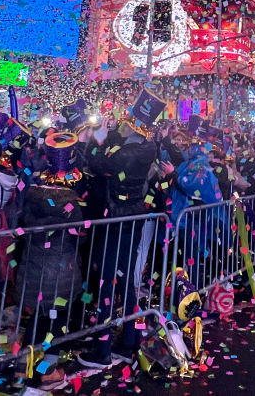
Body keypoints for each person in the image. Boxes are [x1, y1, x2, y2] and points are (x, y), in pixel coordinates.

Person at [77, 118, 159, 368]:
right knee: (126, 283)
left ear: (131, 129)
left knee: (107, 282)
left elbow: (96, 163)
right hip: (132, 219)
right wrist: (103, 136)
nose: (119, 126)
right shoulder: (145, 150)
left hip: (117, 221)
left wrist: (90, 141)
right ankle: (131, 343)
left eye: (124, 124)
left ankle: (103, 350)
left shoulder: (125, 154)